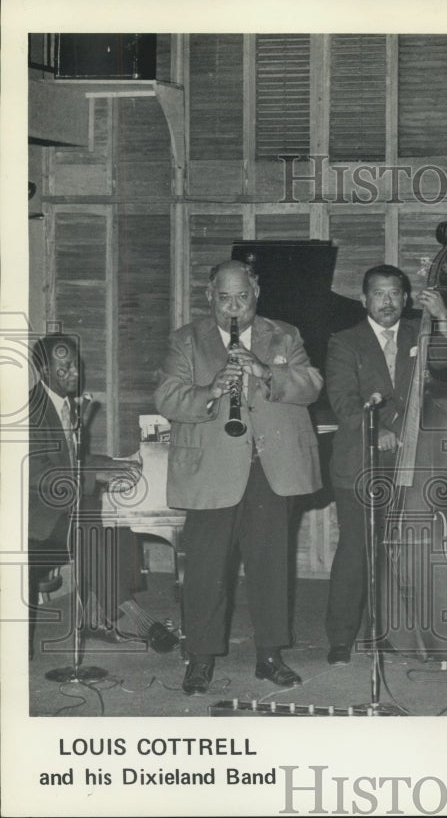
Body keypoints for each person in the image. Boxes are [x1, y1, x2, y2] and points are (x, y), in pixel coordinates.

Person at [154, 260, 322, 695]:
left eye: (242, 297)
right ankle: (201, 659)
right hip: (211, 471)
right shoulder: (186, 340)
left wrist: (266, 372)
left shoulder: (285, 335)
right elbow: (168, 396)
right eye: (224, 298)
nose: (234, 307)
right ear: (210, 295)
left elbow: (312, 385)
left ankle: (270, 656)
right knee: (207, 568)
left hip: (270, 469)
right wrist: (210, 390)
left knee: (271, 566)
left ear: (256, 292)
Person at [324, 264, 447, 665]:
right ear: (364, 299)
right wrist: (375, 429)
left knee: (404, 550)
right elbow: (344, 401)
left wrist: (445, 318)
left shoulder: (423, 333)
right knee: (357, 550)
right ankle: (340, 639)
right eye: (379, 294)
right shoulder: (344, 341)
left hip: (413, 460)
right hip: (360, 462)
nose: (387, 301)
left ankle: (387, 632)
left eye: (395, 294)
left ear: (406, 298)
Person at [27, 333, 178, 658]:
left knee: (115, 517)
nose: (72, 372)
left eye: (73, 364)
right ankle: (131, 616)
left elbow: (71, 461)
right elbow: (38, 473)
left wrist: (115, 464)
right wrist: (98, 475)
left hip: (67, 508)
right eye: (61, 365)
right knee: (91, 523)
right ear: (41, 369)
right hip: (36, 516)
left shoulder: (66, 405)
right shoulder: (32, 410)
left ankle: (103, 617)